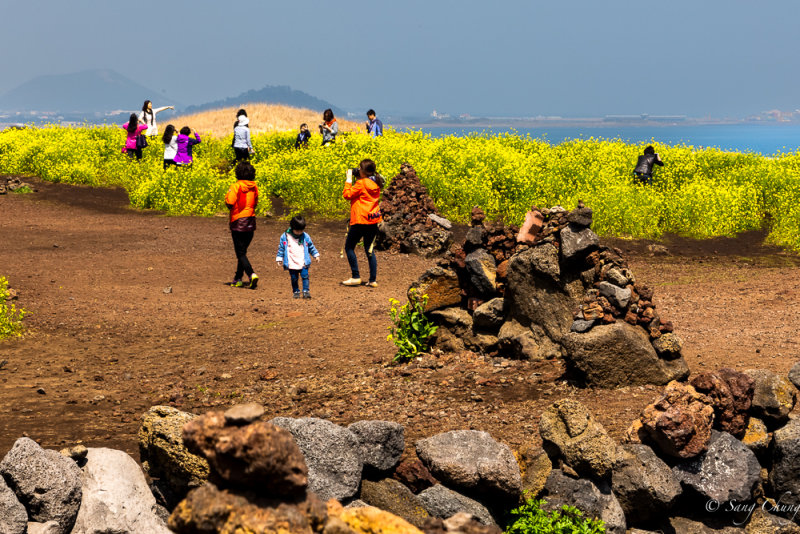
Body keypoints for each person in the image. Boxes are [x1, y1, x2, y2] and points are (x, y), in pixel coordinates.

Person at [341, 159, 384, 287]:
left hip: (360, 220)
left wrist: (349, 179)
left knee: (349, 247)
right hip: (372, 220)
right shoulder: (376, 182)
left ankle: (356, 277)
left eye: (359, 169)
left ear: (363, 171)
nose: (357, 170)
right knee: (369, 250)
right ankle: (373, 280)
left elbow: (347, 194)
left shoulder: (361, 183)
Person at [224, 162, 259, 289]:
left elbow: (230, 202)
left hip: (238, 222)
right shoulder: (254, 187)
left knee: (240, 253)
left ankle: (251, 274)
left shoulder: (236, 186)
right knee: (242, 252)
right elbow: (255, 203)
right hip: (251, 220)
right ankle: (238, 279)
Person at [275, 215, 320, 299]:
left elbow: (310, 246)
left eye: (301, 230)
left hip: (303, 261)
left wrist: (315, 254)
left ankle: (306, 291)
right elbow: (281, 248)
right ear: (292, 228)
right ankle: (296, 291)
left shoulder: (305, 236)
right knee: (294, 278)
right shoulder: (285, 236)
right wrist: (279, 258)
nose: (299, 232)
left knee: (305, 276)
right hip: (291, 262)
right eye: (297, 230)